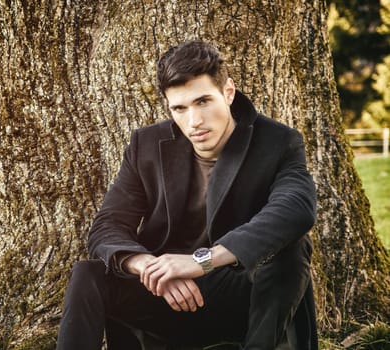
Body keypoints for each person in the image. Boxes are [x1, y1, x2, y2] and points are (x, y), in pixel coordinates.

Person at [56, 40, 317, 350]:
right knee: (88, 273)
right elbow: (107, 226)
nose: (194, 121)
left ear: (228, 93)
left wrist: (201, 261)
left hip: (239, 300)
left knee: (292, 247)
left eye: (203, 101)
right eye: (180, 108)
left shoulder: (278, 142)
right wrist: (150, 267)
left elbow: (296, 209)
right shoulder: (147, 145)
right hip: (166, 296)